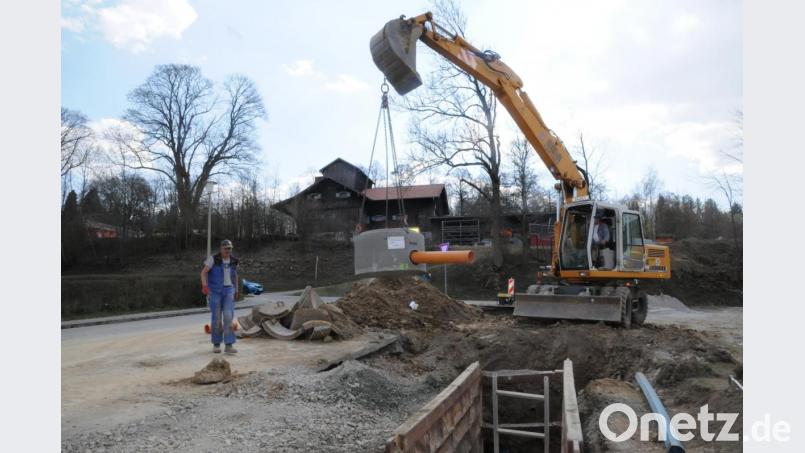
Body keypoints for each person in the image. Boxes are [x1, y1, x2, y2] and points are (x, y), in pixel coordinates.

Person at [200, 239, 240, 354]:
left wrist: (236, 289)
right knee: (216, 318)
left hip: (228, 291)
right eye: (226, 248)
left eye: (230, 248)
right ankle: (216, 344)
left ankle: (229, 345)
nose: (228, 250)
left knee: (228, 316)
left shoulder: (234, 261)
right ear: (221, 249)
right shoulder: (213, 259)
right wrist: (205, 286)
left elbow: (235, 275)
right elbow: (203, 272)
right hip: (215, 291)